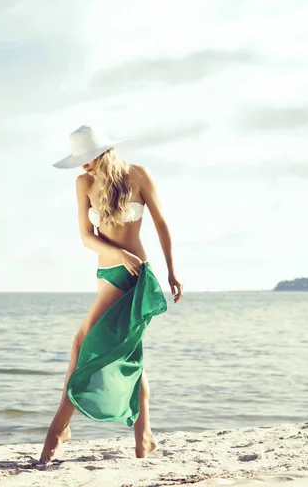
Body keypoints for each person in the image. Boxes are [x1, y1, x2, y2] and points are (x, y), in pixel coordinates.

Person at [39, 125, 184, 465]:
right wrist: (118, 254)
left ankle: (58, 428)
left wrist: (172, 271)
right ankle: (144, 437)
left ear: (102, 154)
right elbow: (85, 236)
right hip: (107, 272)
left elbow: (162, 225)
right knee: (129, 353)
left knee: (82, 341)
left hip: (132, 275)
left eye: (86, 160)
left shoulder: (138, 175)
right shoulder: (84, 184)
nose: (82, 167)